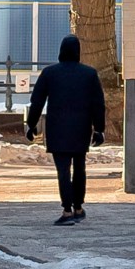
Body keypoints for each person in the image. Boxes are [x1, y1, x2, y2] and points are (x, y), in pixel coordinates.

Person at [24, 34, 106, 225]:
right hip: (81, 128)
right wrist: (99, 129)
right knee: (79, 168)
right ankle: (78, 207)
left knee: (63, 170)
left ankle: (67, 210)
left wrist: (31, 124)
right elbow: (98, 104)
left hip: (57, 128)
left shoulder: (49, 73)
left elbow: (37, 101)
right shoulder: (89, 74)